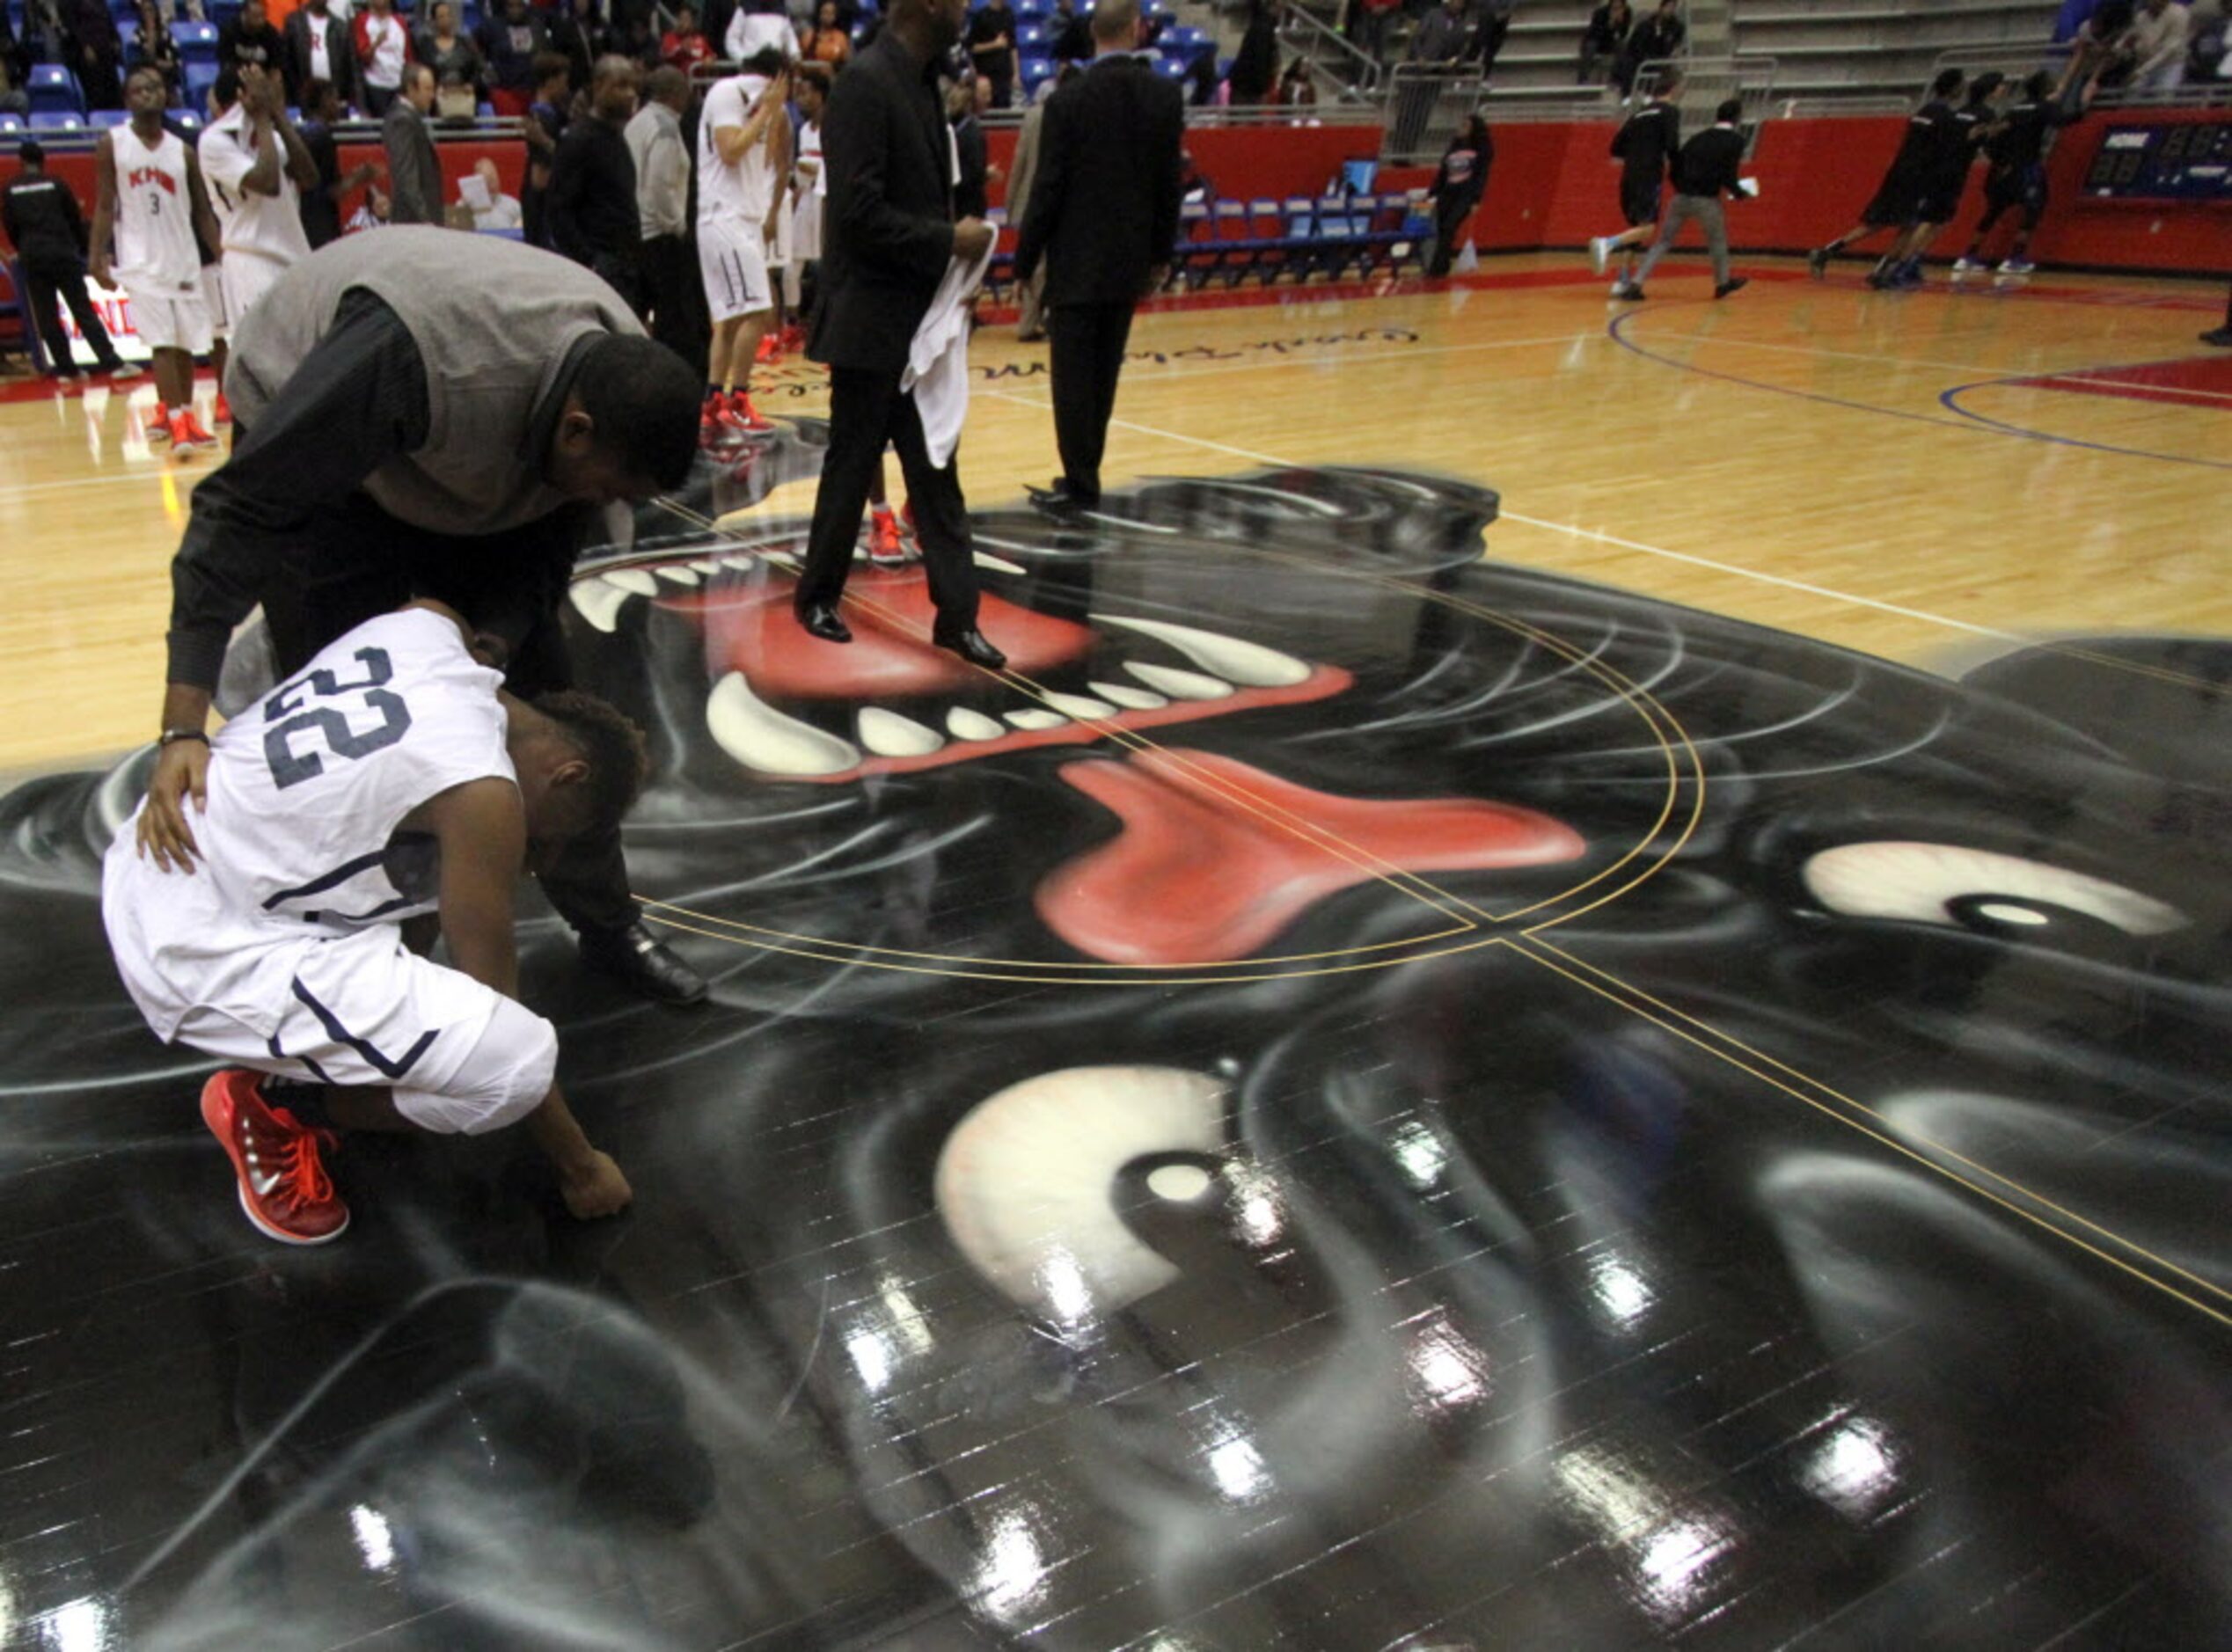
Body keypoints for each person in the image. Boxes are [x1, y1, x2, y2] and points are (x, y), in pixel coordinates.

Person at [139, 229, 710, 1005]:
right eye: (609, 487)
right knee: (366, 745)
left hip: (482, 448)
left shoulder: (619, 382)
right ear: (575, 430)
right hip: (333, 469)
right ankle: (371, 967)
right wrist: (182, 724)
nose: (608, 503)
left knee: (556, 729)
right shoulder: (413, 358)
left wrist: (497, 640)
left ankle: (608, 926)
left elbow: (546, 552)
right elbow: (239, 512)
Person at [103, 600, 643, 1245]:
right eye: (553, 835)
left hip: (164, 842)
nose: (542, 854)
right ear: (567, 773)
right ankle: (276, 1108)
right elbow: (497, 1008)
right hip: (193, 945)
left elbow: (436, 608)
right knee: (510, 1066)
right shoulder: (484, 795)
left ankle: (328, 1054)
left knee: (425, 870)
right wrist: (582, 1167)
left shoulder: (426, 630)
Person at [792, 0, 1001, 667]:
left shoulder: (919, 82)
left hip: (919, 320)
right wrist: (949, 240)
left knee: (935, 467)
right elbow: (856, 214)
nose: (965, 10)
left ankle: (957, 616)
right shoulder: (862, 82)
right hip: (869, 318)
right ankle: (817, 596)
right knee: (852, 464)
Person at [1009, 0, 1182, 519]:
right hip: (1128, 260)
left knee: (1072, 382)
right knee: (1103, 377)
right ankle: (1085, 475)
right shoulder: (1165, 96)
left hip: (1077, 261)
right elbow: (1168, 185)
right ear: (1136, 29)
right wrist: (1160, 253)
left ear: (1091, 33)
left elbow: (1048, 189)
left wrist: (1023, 262)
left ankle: (1080, 483)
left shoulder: (1068, 101)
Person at [90, 66, 223, 450]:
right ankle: (178, 421)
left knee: (184, 345)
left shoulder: (182, 150)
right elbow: (103, 204)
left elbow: (202, 212)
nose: (149, 93)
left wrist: (220, 254)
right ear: (127, 99)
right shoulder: (112, 144)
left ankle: (186, 420)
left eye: (155, 87)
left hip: (181, 259)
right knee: (163, 343)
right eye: (139, 89)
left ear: (166, 95)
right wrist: (96, 254)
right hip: (139, 260)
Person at [694, 49, 789, 442]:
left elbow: (767, 161)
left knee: (732, 319)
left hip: (742, 217)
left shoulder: (762, 106)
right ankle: (738, 401)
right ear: (778, 77)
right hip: (724, 217)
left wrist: (772, 117)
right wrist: (767, 112)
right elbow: (731, 151)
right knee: (759, 311)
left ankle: (714, 401)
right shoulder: (727, 93)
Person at [1808, 67, 1964, 284]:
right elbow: (1943, 154)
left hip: (1898, 173)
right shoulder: (1948, 118)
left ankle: (1827, 251)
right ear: (1955, 88)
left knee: (1877, 221)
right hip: (1920, 177)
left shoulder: (1921, 112)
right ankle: (1883, 272)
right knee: (1909, 225)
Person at [200, 62, 317, 338]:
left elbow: (309, 177)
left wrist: (279, 115)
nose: (273, 88)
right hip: (250, 260)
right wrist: (264, 118)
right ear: (244, 95)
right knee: (266, 363)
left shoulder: (269, 136)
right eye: (264, 84)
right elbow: (268, 183)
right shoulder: (214, 140)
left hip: (291, 257)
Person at [1, 139, 135, 381]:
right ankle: (112, 363)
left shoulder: (10, 189)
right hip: (62, 253)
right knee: (82, 309)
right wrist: (82, 249)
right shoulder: (56, 184)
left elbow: (10, 226)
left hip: (32, 256)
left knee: (47, 314)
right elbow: (74, 218)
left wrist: (24, 248)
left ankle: (66, 369)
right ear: (43, 161)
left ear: (20, 162)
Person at [1955, 63, 2092, 277]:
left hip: (2000, 170)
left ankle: (1969, 256)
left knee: (1992, 212)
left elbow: (1991, 142)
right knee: (2033, 210)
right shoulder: (2044, 107)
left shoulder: (2013, 110)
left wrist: (2000, 163)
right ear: (2045, 89)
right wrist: (2083, 106)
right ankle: (2015, 258)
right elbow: (2063, 120)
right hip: (2026, 168)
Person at [1616, 97, 1747, 301]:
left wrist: (1681, 187)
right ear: (1738, 118)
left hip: (1681, 198)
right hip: (1707, 200)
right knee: (1717, 242)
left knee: (1662, 242)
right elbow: (1728, 173)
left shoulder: (1698, 138)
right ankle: (1722, 283)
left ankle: (1636, 283)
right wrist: (1739, 192)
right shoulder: (1736, 141)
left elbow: (1676, 164)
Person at [548, 54, 643, 307]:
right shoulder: (578, 140)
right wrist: (590, 262)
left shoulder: (617, 137)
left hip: (626, 266)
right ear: (598, 86)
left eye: (633, 86)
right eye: (621, 86)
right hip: (600, 271)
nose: (631, 93)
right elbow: (559, 211)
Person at [626, 62, 695, 354]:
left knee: (637, 313)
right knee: (671, 318)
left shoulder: (636, 121)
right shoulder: (665, 128)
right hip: (660, 236)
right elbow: (661, 183)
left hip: (635, 231)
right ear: (675, 94)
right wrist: (677, 226)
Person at [1586, 71, 1676, 289]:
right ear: (1673, 91)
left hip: (1629, 175)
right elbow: (1673, 145)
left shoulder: (1637, 114)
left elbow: (1615, 148)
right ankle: (1607, 244)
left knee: (1636, 227)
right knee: (1648, 229)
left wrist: (1637, 153)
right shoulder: (1670, 112)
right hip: (1649, 175)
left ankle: (1623, 279)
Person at [295, 76, 377, 249]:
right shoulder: (322, 136)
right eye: (334, 98)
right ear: (325, 100)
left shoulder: (301, 133)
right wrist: (359, 176)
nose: (338, 105)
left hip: (300, 216)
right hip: (321, 223)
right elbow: (331, 191)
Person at [1423, 112, 1489, 277]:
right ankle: (1440, 262)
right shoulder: (1455, 145)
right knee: (1440, 227)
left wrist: (1476, 199)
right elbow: (1443, 171)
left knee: (1449, 226)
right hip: (1448, 192)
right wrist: (1433, 191)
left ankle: (1438, 267)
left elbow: (1482, 174)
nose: (1462, 129)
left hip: (1465, 194)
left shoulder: (1482, 148)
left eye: (1466, 126)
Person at [382, 62, 443, 224]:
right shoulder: (402, 120)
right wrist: (425, 219)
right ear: (411, 88)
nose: (432, 96)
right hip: (413, 222)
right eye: (428, 89)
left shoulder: (408, 118)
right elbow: (406, 177)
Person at [285, 0, 358, 113]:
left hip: (333, 95)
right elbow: (287, 63)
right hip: (303, 95)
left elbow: (352, 67)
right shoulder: (294, 22)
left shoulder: (340, 27)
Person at [479, 0, 548, 118]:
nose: (515, 10)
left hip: (531, 91)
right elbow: (471, 42)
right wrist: (484, 67)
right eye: (511, 6)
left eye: (519, 6)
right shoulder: (494, 25)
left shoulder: (536, 25)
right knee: (510, 131)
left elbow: (543, 52)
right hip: (505, 91)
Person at [415, 0, 486, 109]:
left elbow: (478, 67)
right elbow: (423, 71)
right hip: (437, 100)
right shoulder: (426, 46)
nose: (446, 20)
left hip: (463, 99)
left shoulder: (465, 43)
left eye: (449, 15)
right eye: (441, 16)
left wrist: (472, 84)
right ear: (434, 21)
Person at [353, 0, 412, 116]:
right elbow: (363, 56)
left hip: (398, 84)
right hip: (375, 85)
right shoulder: (362, 20)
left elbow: (408, 55)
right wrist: (377, 43)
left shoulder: (399, 21)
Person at [2117, 0, 2191, 91]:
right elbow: (2129, 37)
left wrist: (2141, 72)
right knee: (2131, 96)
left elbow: (2169, 49)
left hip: (2169, 65)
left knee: (2162, 98)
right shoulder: (2142, 16)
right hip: (2143, 62)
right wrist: (2117, 48)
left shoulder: (2179, 13)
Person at [1614, 0, 1681, 100]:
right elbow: (1636, 46)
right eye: (1668, 7)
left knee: (1675, 74)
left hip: (1660, 57)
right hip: (1641, 57)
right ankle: (1629, 95)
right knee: (1628, 64)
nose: (1670, 10)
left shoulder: (1676, 26)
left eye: (1672, 7)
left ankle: (1658, 95)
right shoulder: (1645, 26)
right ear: (1661, 8)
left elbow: (1671, 44)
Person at [127, 0, 184, 104]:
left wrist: (167, 65)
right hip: (146, 81)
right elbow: (146, 60)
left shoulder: (165, 34)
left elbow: (176, 60)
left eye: (151, 10)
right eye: (145, 11)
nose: (149, 14)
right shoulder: (137, 36)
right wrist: (151, 31)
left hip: (168, 80)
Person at [218, 0, 285, 85]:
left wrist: (266, 78)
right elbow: (225, 65)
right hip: (234, 82)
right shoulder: (229, 30)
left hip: (262, 85)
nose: (261, 21)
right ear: (245, 14)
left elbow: (276, 69)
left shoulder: (271, 34)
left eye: (263, 16)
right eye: (256, 17)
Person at [967, 0, 1018, 108]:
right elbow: (971, 47)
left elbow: (1013, 47)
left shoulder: (1009, 15)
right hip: (986, 74)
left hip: (1004, 76)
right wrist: (994, 45)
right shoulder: (981, 16)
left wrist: (1016, 74)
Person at [1578, 0, 1630, 86]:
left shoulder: (1626, 13)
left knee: (1622, 46)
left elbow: (1623, 34)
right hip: (1596, 39)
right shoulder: (1601, 12)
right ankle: (1583, 78)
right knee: (1590, 47)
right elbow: (1596, 32)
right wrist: (1610, 24)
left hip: (1610, 42)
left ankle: (1615, 78)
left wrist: (1621, 24)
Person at [467, 154, 523, 228]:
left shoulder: (513, 206)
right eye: (488, 180)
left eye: (493, 179)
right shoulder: (466, 205)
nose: (492, 186)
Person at [660, 1, 714, 73]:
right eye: (680, 19)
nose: (683, 23)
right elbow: (666, 55)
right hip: (676, 79)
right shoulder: (669, 38)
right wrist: (681, 49)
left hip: (696, 80)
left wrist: (709, 58)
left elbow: (709, 54)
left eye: (686, 19)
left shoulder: (700, 39)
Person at [799, 0, 851, 67]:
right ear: (819, 14)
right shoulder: (808, 35)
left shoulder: (841, 38)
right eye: (826, 12)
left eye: (832, 13)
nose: (829, 16)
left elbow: (847, 63)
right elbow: (799, 61)